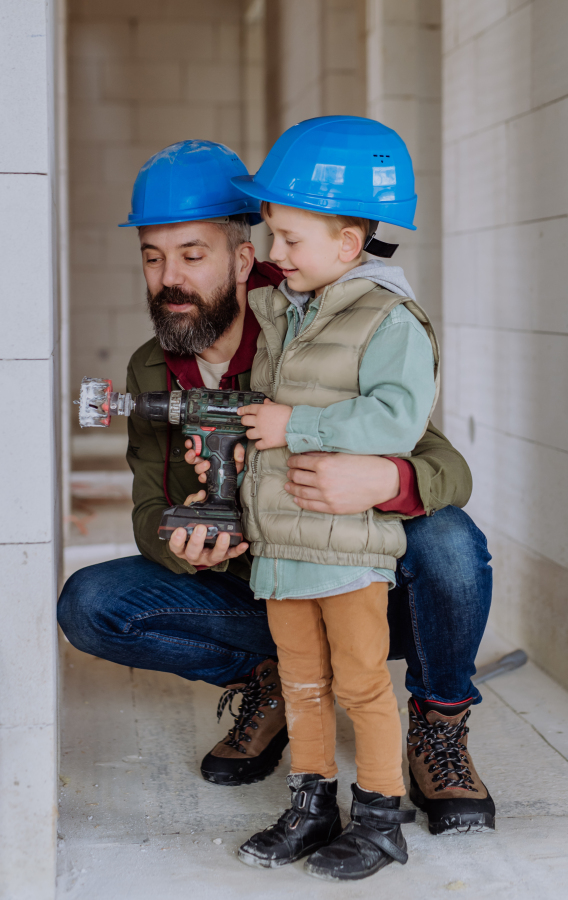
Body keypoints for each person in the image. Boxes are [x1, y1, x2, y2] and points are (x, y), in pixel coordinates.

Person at [57, 139, 494, 843]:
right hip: (259, 581)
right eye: (151, 256)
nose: (168, 277)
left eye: (191, 255)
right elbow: (145, 501)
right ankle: (274, 681)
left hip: (351, 569)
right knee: (91, 604)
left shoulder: (308, 323)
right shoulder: (151, 368)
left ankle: (439, 726)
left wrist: (387, 476)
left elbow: (448, 468)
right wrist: (182, 543)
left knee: (448, 538)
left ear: (239, 257)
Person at [230, 115, 439, 881]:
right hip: (286, 547)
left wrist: (297, 425)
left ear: (349, 245)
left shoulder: (389, 321)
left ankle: (381, 820)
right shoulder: (290, 311)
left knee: (360, 684)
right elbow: (269, 413)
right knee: (301, 683)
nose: (275, 255)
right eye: (272, 236)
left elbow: (396, 420)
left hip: (347, 547)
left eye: (290, 239)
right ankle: (312, 807)